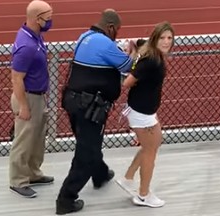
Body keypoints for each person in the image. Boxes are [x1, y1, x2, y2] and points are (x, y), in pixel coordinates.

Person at [55, 9, 137, 215]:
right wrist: (133, 51)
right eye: (117, 30)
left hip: (73, 101)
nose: (117, 34)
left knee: (88, 141)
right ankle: (66, 198)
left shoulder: (85, 36)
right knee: (87, 151)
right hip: (89, 106)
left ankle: (100, 174)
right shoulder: (106, 44)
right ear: (110, 28)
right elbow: (129, 66)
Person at [116, 21, 175, 208]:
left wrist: (133, 47)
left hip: (144, 110)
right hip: (142, 113)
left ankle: (127, 178)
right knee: (151, 151)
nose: (166, 42)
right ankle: (143, 195)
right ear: (155, 39)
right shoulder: (152, 62)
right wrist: (130, 59)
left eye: (170, 38)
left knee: (153, 144)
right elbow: (127, 83)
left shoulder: (150, 51)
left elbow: (138, 42)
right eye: (163, 38)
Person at [8, 0, 54, 198]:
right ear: (38, 19)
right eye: (49, 17)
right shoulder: (27, 46)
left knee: (37, 139)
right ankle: (18, 180)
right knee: (24, 140)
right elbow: (16, 78)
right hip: (28, 98)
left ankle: (33, 173)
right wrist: (24, 106)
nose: (51, 21)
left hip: (38, 96)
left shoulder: (35, 36)